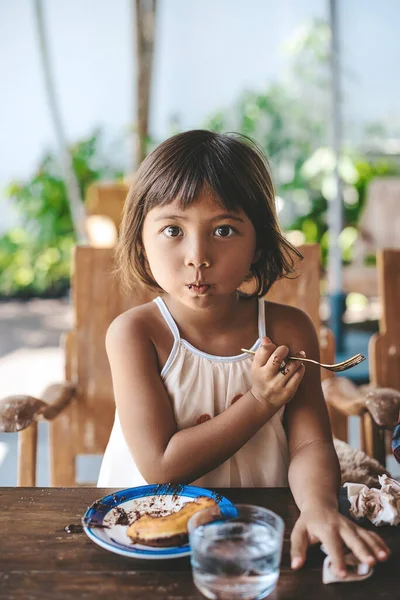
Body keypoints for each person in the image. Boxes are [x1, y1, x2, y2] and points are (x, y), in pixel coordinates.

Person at [98, 130, 390, 576]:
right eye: (172, 229)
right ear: (141, 239)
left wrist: (317, 508)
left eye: (224, 230)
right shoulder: (137, 334)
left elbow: (310, 440)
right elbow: (161, 466)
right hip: (146, 539)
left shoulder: (287, 329)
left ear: (258, 244)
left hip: (260, 531)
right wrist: (260, 403)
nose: (198, 256)